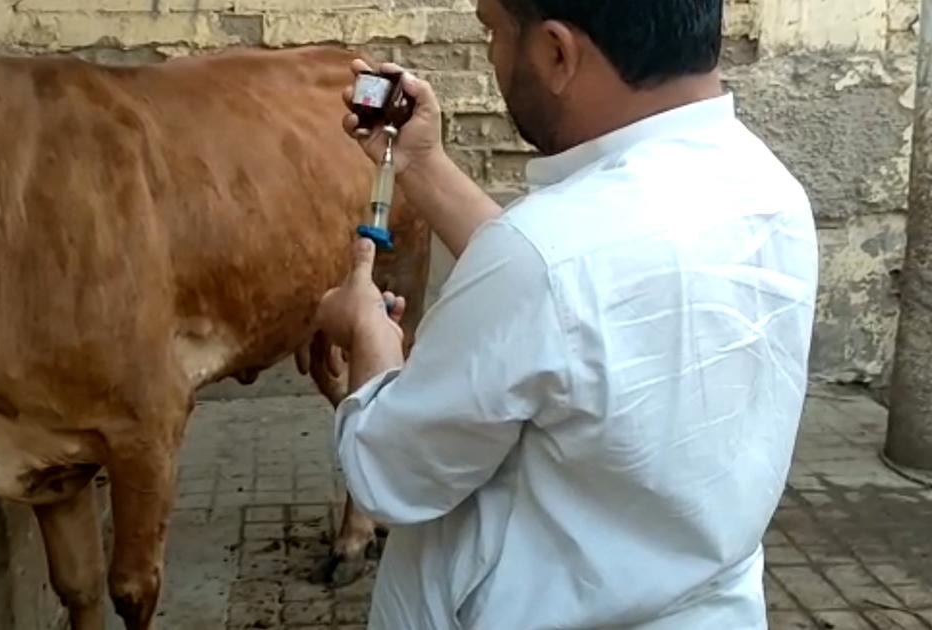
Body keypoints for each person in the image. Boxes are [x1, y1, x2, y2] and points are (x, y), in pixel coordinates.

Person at [314, 0, 820, 628]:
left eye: (494, 32)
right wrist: (422, 163)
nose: (493, 56)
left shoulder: (547, 257)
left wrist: (370, 338)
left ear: (557, 52)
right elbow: (569, 295)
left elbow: (392, 476)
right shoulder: (771, 192)